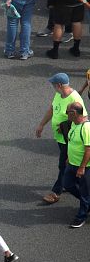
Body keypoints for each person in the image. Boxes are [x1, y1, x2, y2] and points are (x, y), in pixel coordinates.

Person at [36, 72, 86, 204]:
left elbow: (83, 119)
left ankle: (56, 192)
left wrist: (66, 126)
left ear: (59, 85)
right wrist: (41, 124)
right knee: (67, 165)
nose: (53, 87)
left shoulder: (75, 99)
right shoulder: (59, 94)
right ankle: (72, 182)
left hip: (69, 139)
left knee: (63, 164)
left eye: (53, 84)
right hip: (60, 138)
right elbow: (52, 109)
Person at [62, 102, 90, 227]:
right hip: (72, 163)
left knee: (85, 192)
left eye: (67, 112)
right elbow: (72, 142)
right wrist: (69, 157)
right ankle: (88, 204)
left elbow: (88, 149)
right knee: (67, 184)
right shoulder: (74, 123)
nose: (66, 114)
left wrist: (82, 167)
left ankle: (81, 216)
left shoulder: (86, 128)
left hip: (84, 167)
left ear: (74, 113)